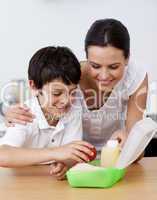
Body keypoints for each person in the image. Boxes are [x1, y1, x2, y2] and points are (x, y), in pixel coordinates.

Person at [4, 19, 148, 179]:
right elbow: (40, 93)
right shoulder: (68, 78)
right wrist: (8, 113)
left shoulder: (134, 76)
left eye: (114, 67)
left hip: (104, 164)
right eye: (95, 66)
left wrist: (129, 140)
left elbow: (136, 149)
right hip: (50, 171)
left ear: (127, 59)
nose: (104, 75)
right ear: (86, 57)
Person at [0, 46, 95, 175]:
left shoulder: (73, 108)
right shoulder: (23, 114)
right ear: (34, 86)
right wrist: (55, 153)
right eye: (57, 93)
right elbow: (3, 155)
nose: (66, 101)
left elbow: (71, 152)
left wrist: (65, 164)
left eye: (72, 92)